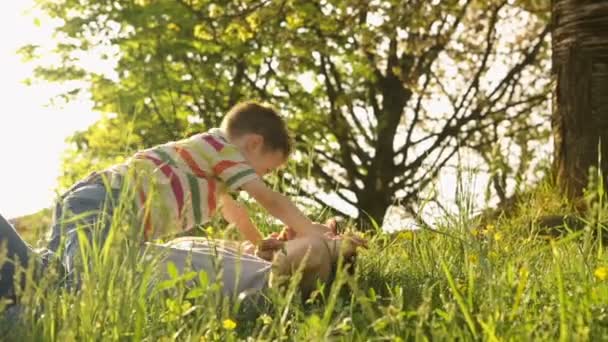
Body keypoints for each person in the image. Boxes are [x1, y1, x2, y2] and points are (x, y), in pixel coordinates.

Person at [46, 101, 335, 278]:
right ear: (254, 144)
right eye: (267, 169)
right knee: (90, 280)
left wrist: (259, 244)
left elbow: (238, 216)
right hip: (105, 204)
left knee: (52, 274)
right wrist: (311, 231)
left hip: (95, 202)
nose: (262, 177)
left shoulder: (211, 173)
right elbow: (270, 200)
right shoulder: (222, 149)